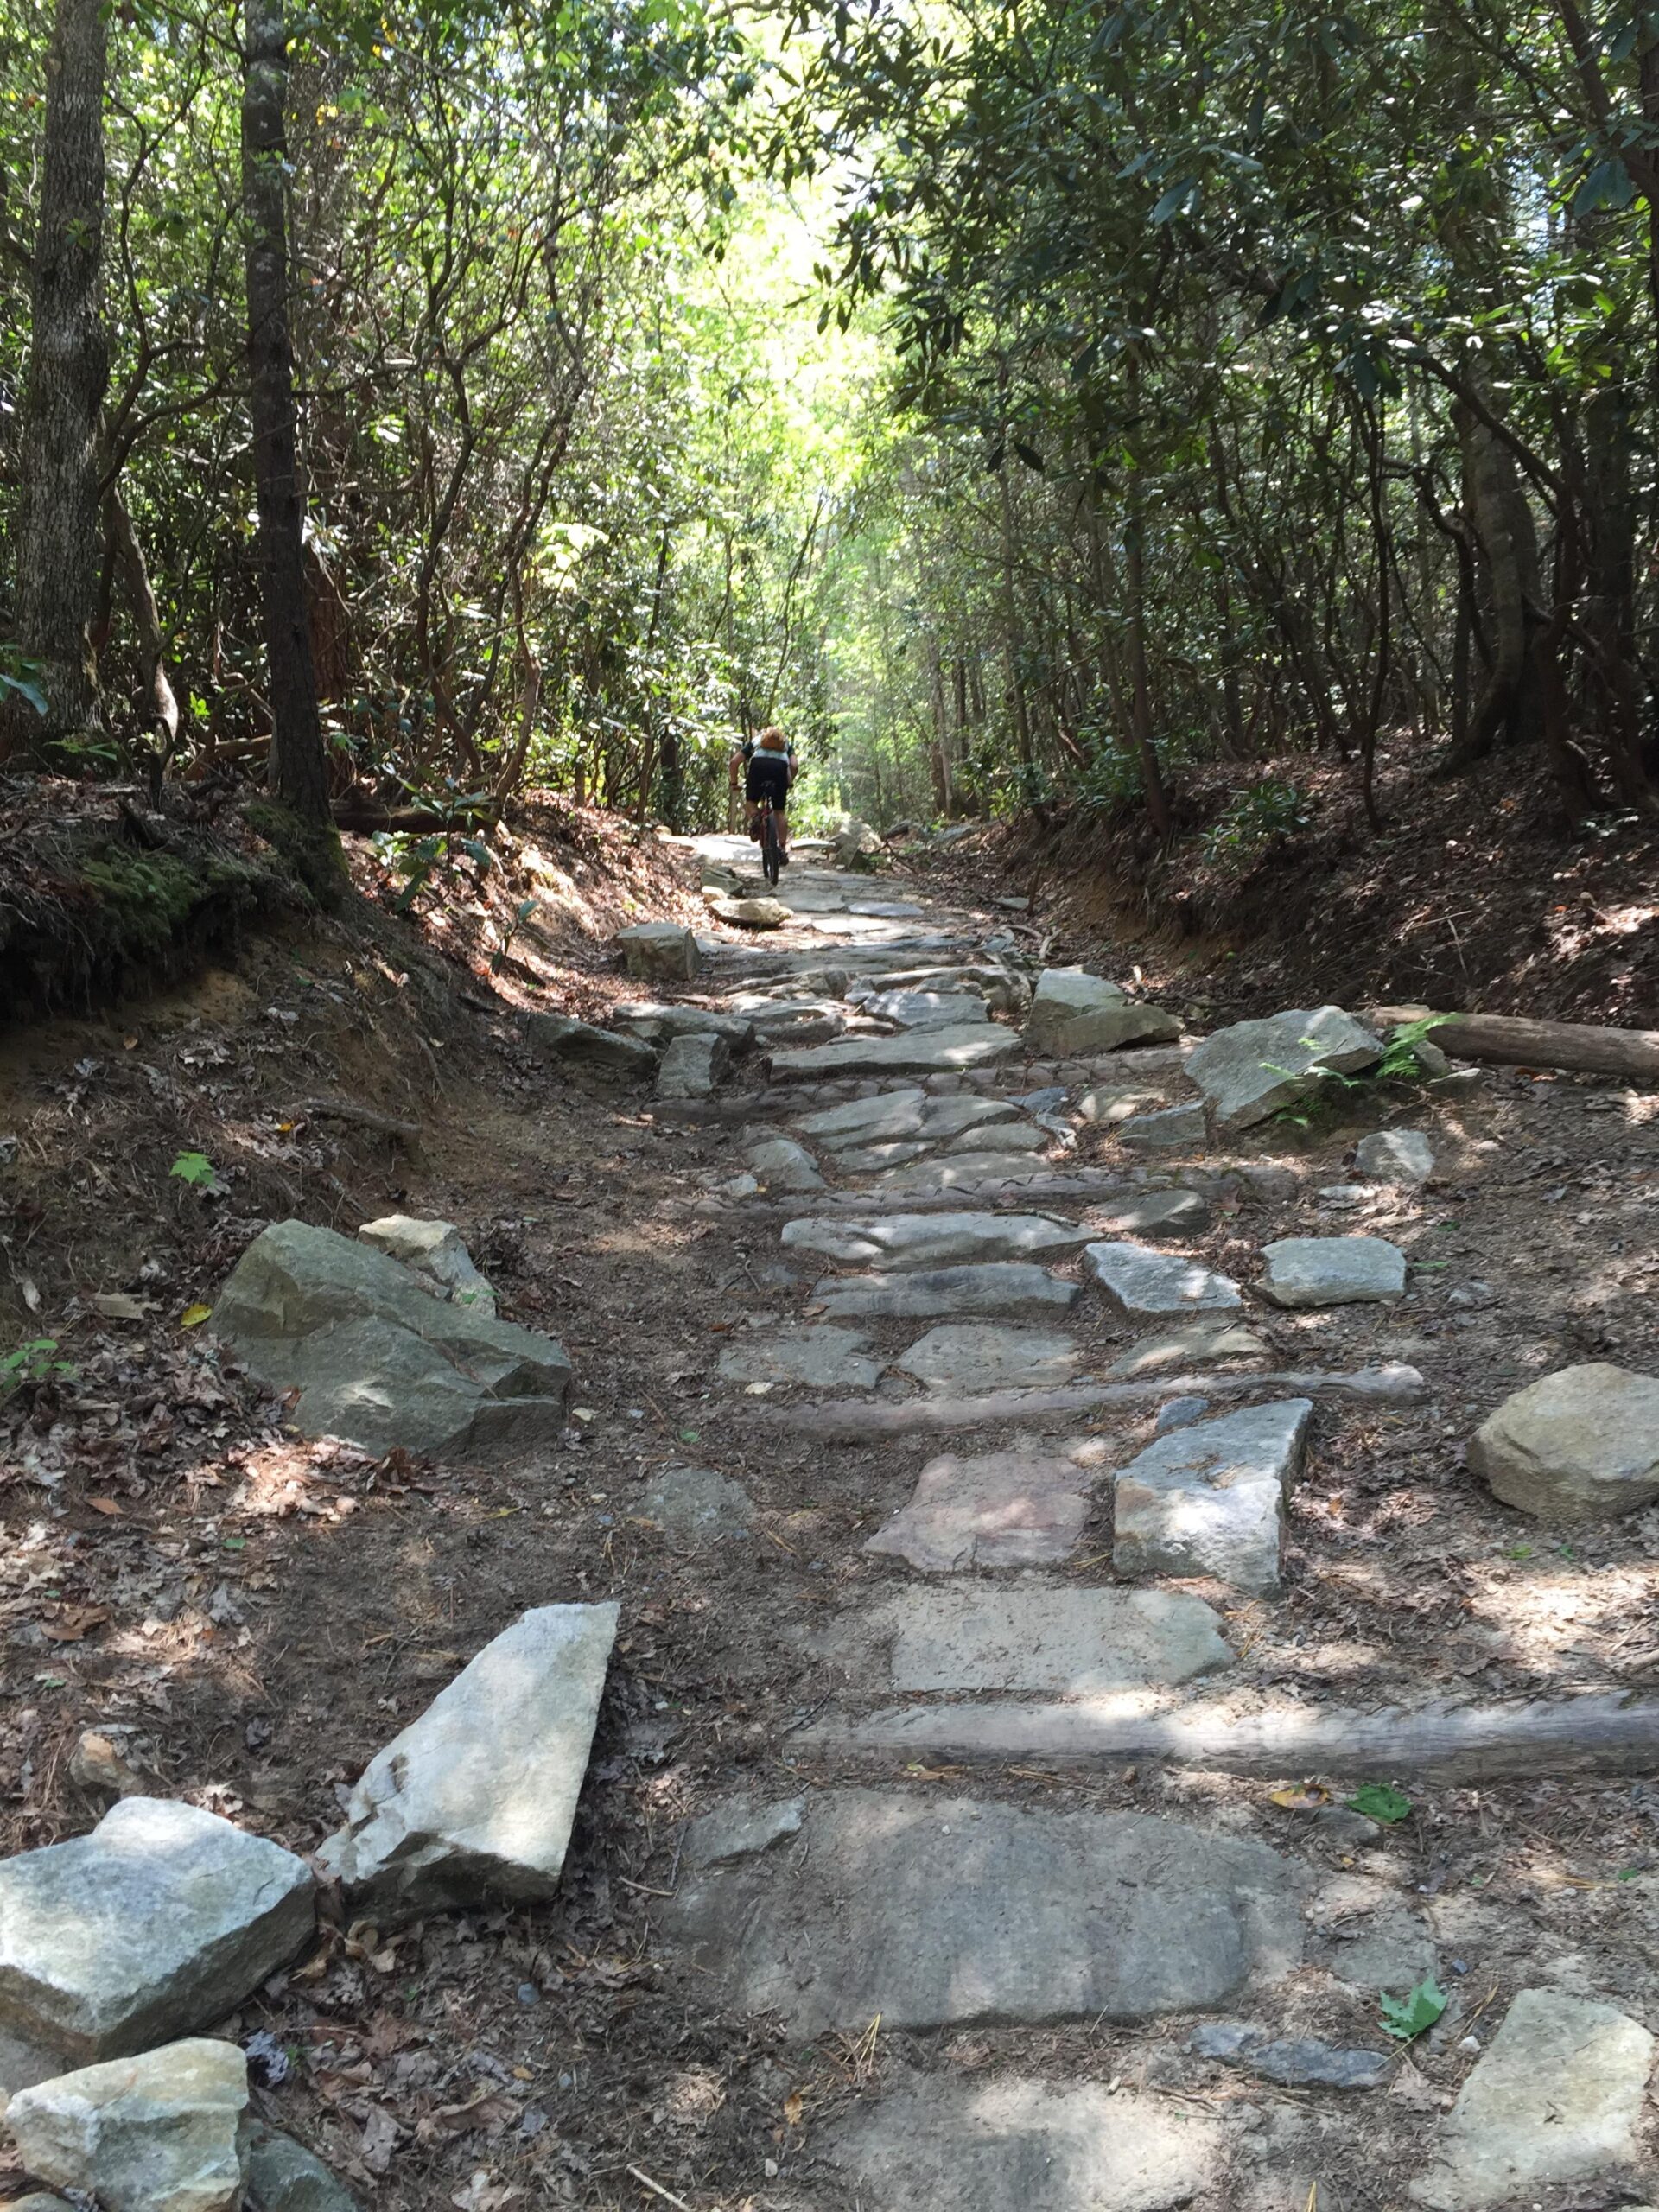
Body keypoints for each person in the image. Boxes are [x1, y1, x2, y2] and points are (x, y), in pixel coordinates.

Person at [729, 724, 796, 863]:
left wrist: (734, 783)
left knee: (751, 803)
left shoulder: (756, 741)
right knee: (779, 812)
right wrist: (788, 782)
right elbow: (794, 765)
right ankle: (782, 850)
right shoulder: (786, 744)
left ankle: (755, 817)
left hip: (758, 767)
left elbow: (734, 762)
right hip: (779, 770)